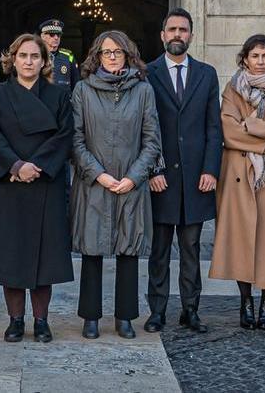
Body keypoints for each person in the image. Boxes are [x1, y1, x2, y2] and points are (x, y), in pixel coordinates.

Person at [0, 34, 74, 343]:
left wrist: (36, 166)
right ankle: (15, 320)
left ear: (44, 62)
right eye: (23, 55)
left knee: (45, 257)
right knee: (11, 255)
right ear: (12, 59)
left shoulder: (58, 96)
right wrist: (16, 166)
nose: (28, 61)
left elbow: (65, 136)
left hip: (46, 183)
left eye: (35, 56)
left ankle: (41, 321)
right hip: (8, 183)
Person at [70, 30, 160, 340]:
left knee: (128, 248)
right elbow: (76, 139)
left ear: (128, 55)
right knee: (92, 250)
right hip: (94, 182)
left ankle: (125, 317)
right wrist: (98, 174)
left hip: (130, 181)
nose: (111, 57)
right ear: (97, 56)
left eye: (117, 52)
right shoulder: (82, 90)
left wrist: (134, 177)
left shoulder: (143, 91)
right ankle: (90, 316)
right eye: (106, 52)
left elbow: (151, 140)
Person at [210, 34, 265, 329]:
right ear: (245, 59)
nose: (260, 62)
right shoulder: (231, 91)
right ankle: (245, 300)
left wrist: (252, 125)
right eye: (255, 56)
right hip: (238, 175)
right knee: (241, 239)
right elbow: (229, 132)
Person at [144, 8, 222, 334]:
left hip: (195, 180)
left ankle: (191, 309)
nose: (178, 34)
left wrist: (210, 169)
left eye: (183, 30)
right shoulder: (146, 73)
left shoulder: (207, 74)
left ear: (191, 35)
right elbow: (144, 128)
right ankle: (157, 310)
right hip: (161, 178)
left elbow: (213, 127)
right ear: (162, 35)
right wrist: (152, 170)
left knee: (191, 249)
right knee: (159, 250)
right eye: (172, 29)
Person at [39, 19, 78, 88]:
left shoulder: (68, 56)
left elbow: (76, 82)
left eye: (58, 35)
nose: (56, 38)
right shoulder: (37, 55)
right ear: (43, 36)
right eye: (52, 35)